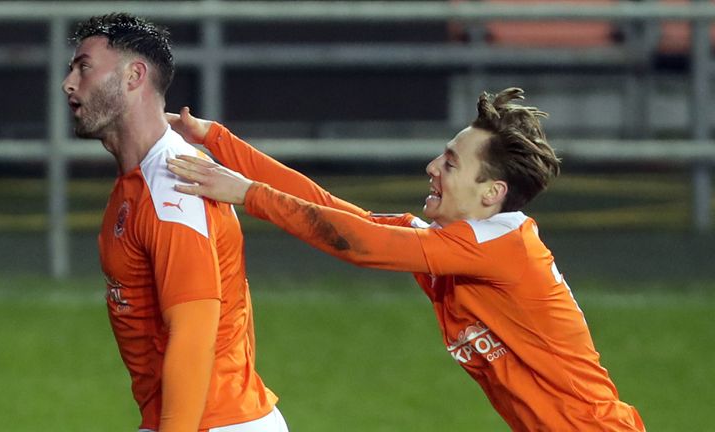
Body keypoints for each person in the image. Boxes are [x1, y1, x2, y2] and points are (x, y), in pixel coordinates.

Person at [165, 88, 645, 431]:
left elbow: (361, 245)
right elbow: (335, 212)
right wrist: (218, 139)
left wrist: (248, 194)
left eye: (452, 164)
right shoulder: (453, 243)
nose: (433, 168)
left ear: (491, 193)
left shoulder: (506, 249)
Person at [62, 13, 287, 432]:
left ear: (134, 76)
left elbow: (193, 334)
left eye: (84, 67)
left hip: (210, 422)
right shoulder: (141, 178)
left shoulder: (172, 186)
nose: (69, 83)